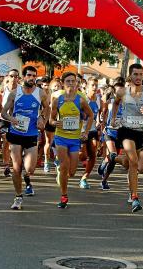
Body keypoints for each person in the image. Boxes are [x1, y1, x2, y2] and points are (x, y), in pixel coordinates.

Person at [111, 63, 143, 212]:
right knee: (133, 162)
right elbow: (115, 104)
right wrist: (113, 118)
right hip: (126, 131)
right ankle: (135, 197)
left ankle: (114, 158)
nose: (138, 77)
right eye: (135, 74)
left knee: (141, 168)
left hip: (141, 133)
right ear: (130, 76)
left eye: (141, 74)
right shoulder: (122, 92)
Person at [1, 66, 49, 210]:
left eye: (34, 76)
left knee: (29, 168)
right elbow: (3, 113)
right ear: (23, 77)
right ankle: (18, 196)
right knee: (16, 167)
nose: (32, 78)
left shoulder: (40, 93)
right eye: (29, 75)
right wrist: (11, 118)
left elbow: (47, 108)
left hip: (32, 134)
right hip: (15, 133)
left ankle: (26, 177)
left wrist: (42, 119)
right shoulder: (14, 94)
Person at [49, 72, 93, 209]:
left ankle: (62, 173)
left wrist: (85, 132)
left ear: (76, 83)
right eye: (68, 81)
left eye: (73, 81)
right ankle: (64, 195)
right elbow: (51, 119)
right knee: (64, 165)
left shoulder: (80, 100)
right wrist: (54, 122)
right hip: (61, 137)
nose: (71, 83)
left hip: (74, 139)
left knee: (72, 172)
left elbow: (91, 115)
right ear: (63, 83)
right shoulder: (58, 100)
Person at [98, 78, 128, 190]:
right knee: (113, 154)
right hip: (109, 132)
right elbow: (103, 114)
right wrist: (102, 126)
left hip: (121, 134)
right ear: (114, 91)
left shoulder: (127, 103)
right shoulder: (110, 101)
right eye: (118, 89)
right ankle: (104, 163)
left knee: (113, 161)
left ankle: (104, 179)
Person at [79, 77, 103, 189]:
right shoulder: (83, 99)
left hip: (92, 130)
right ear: (87, 87)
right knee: (82, 156)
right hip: (81, 130)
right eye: (92, 85)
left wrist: (99, 123)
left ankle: (84, 177)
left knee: (93, 154)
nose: (95, 87)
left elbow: (99, 113)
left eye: (96, 85)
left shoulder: (98, 99)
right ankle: (63, 162)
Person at [0, 70, 19, 177]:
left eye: (16, 76)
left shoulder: (21, 89)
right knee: (6, 141)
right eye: (11, 76)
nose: (14, 78)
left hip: (15, 119)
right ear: (8, 76)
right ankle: (6, 166)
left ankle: (14, 164)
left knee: (13, 144)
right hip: (3, 118)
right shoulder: (2, 88)